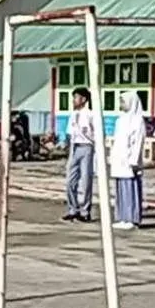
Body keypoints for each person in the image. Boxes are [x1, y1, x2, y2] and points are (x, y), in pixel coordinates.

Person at [110, 91, 146, 231]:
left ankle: (132, 218)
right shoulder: (120, 120)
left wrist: (134, 160)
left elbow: (137, 142)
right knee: (120, 189)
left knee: (130, 189)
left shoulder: (137, 120)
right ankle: (122, 217)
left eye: (123, 101)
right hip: (119, 159)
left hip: (130, 161)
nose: (121, 104)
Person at [63, 87, 94, 223]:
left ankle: (85, 211)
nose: (74, 100)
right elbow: (70, 134)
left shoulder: (90, 114)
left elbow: (96, 133)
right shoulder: (73, 114)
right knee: (70, 180)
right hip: (75, 148)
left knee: (86, 180)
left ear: (84, 99)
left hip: (87, 147)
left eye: (76, 97)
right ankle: (72, 209)